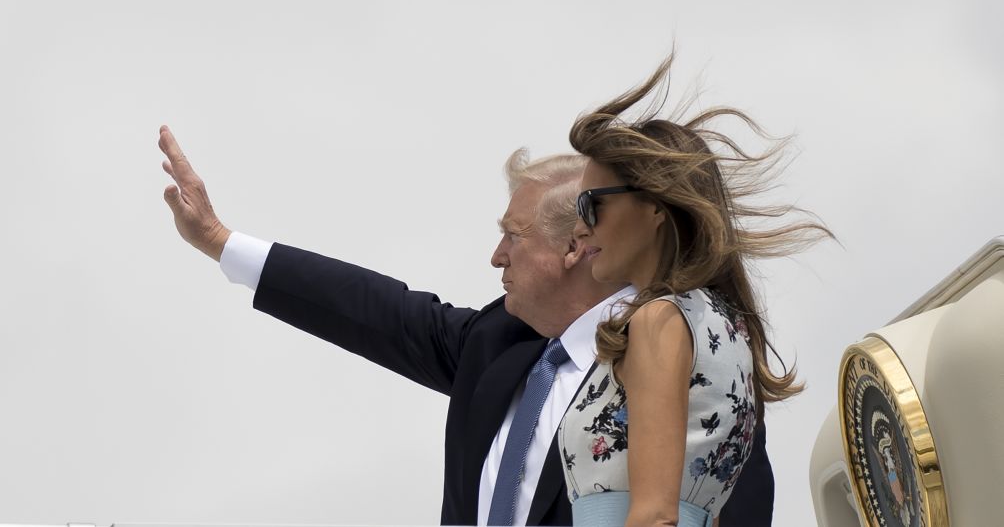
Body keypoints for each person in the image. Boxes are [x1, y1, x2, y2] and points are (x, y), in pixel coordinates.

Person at [158, 123, 775, 525]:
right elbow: (372, 308)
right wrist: (220, 241)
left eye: (512, 235)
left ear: (574, 245)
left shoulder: (691, 351)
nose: (496, 257)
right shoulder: (495, 346)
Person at [556, 56, 832, 526]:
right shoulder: (727, 328)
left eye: (591, 204)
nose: (580, 227)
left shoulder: (658, 321)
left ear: (655, 205)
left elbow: (655, 515)